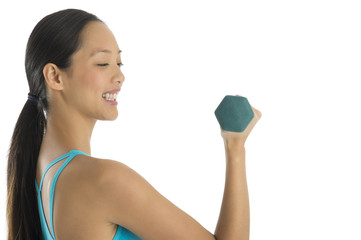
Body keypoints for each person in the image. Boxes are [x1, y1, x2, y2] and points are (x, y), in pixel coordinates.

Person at [6, 8, 261, 240]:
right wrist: (235, 147)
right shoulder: (105, 180)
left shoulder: (40, 171)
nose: (120, 76)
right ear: (54, 76)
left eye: (119, 62)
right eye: (103, 63)